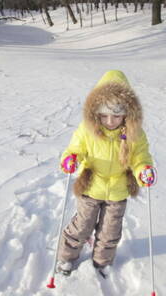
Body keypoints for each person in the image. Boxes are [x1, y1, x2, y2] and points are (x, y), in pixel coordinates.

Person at [57, 70, 157, 276]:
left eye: (116, 116)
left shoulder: (134, 134)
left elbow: (141, 158)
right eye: (104, 116)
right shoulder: (87, 129)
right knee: (82, 226)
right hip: (91, 187)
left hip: (118, 191)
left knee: (110, 231)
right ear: (96, 113)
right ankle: (67, 257)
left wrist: (144, 171)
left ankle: (102, 261)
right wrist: (70, 159)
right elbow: (75, 149)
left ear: (127, 113)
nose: (110, 121)